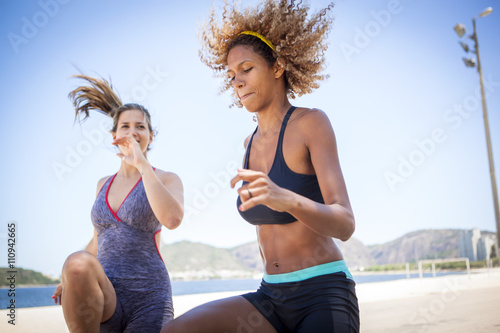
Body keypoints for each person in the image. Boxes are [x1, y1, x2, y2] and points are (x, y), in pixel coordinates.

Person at [161, 0, 359, 332]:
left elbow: (346, 223)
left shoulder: (312, 123)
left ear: (278, 66)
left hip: (323, 292)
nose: (237, 82)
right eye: (232, 75)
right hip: (270, 297)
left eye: (247, 69)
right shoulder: (248, 145)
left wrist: (287, 199)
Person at [52, 74, 184, 333]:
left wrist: (141, 164)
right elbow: (97, 239)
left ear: (151, 136)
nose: (132, 132)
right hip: (106, 297)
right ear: (114, 135)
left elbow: (172, 220)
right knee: (76, 261)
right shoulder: (102, 184)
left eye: (140, 127)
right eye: (125, 126)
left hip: (150, 298)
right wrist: (70, 278)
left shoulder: (166, 178)